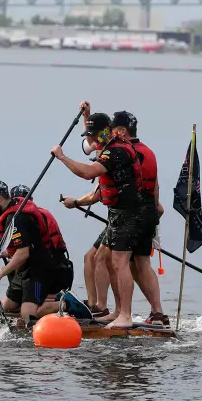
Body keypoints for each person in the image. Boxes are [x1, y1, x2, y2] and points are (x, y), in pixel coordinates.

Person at [52, 112, 143, 329]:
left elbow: (88, 172)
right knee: (104, 259)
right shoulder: (107, 144)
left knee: (121, 264)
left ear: (106, 132)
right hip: (117, 214)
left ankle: (126, 315)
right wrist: (87, 114)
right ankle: (117, 311)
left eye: (93, 136)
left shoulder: (116, 152)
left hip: (129, 214)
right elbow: (93, 142)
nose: (90, 141)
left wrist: (62, 157)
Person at [0, 179, 74, 323]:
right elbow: (0, 218)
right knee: (6, 306)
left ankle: (67, 304)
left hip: (38, 272)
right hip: (24, 269)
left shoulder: (18, 218)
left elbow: (23, 253)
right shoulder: (13, 208)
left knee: (28, 314)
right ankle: (30, 301)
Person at [110, 110, 169, 326]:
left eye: (112, 131)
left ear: (121, 131)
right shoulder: (149, 151)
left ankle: (121, 313)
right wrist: (154, 212)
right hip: (149, 212)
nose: (110, 136)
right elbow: (155, 186)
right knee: (142, 263)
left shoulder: (124, 152)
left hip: (132, 213)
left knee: (116, 261)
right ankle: (158, 312)